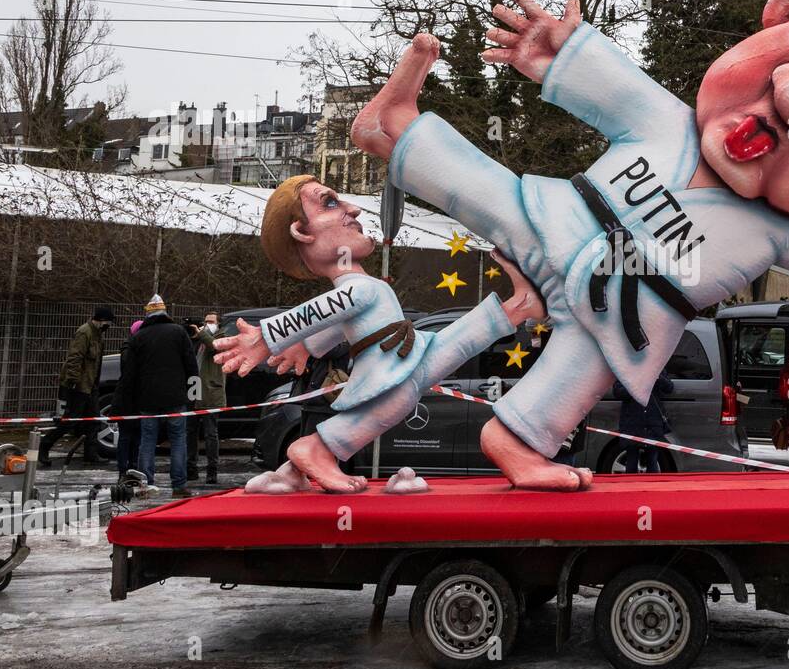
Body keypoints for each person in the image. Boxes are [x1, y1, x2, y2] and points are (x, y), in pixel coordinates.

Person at [347, 0, 789, 491]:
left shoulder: (784, 232)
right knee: (482, 187)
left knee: (578, 365)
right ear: (786, 15)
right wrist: (555, 53)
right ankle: (391, 127)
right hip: (562, 218)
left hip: (630, 312)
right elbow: (608, 81)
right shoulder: (665, 120)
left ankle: (521, 437)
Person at [214, 175, 549, 492]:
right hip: (389, 367)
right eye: (329, 203)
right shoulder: (356, 289)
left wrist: (303, 345)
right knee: (400, 397)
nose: (353, 209)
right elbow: (315, 312)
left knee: (455, 342)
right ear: (302, 231)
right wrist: (266, 337)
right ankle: (317, 448)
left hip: (407, 352)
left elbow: (328, 324)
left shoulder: (359, 286)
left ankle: (520, 305)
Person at [116, 295, 198, 497]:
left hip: (147, 400)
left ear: (148, 314)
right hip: (176, 398)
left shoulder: (138, 337)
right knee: (178, 440)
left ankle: (146, 484)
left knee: (147, 441)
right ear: (165, 312)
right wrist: (194, 395)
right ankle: (179, 485)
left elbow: (130, 374)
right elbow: (191, 365)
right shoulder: (178, 332)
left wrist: (128, 401)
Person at [41, 305, 114, 464]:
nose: (109, 325)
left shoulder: (97, 335)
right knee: (69, 422)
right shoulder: (84, 332)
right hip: (79, 386)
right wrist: (72, 382)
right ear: (101, 320)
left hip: (90, 386)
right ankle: (44, 446)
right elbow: (74, 358)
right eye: (108, 322)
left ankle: (91, 455)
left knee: (94, 421)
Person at [186, 311, 224, 485]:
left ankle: (212, 470)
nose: (207, 324)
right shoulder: (198, 338)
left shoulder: (223, 337)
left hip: (211, 390)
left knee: (210, 433)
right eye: (205, 321)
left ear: (218, 324)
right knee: (191, 431)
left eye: (211, 321)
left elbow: (215, 346)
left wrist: (202, 333)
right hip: (194, 388)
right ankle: (191, 467)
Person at [612, 372, 673, 473]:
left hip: (652, 423)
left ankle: (651, 488)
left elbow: (669, 388)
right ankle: (631, 487)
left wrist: (657, 376)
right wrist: (636, 382)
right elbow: (618, 392)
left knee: (653, 461)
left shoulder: (657, 367)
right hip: (632, 423)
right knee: (631, 462)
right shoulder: (627, 369)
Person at [112, 319, 144, 480]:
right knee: (126, 436)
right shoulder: (129, 350)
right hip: (128, 400)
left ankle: (132, 467)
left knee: (135, 437)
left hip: (134, 399)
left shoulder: (129, 348)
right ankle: (124, 469)